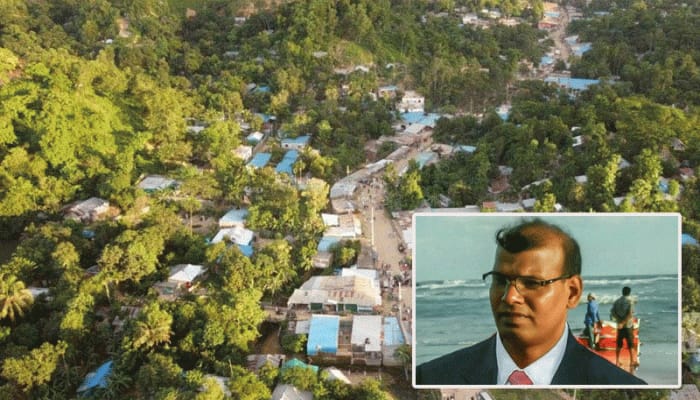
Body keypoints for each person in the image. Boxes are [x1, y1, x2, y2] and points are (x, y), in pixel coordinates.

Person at [416, 219, 646, 385]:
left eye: (532, 283)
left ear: (573, 293)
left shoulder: (615, 384)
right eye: (500, 280)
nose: (510, 297)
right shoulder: (432, 377)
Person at [612, 286, 640, 371]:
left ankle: (617, 361)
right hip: (628, 325)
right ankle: (632, 361)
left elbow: (613, 312)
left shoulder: (617, 301)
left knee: (619, 344)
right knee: (630, 344)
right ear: (629, 292)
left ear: (622, 292)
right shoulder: (630, 301)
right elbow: (630, 314)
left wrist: (619, 321)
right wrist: (623, 322)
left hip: (620, 325)